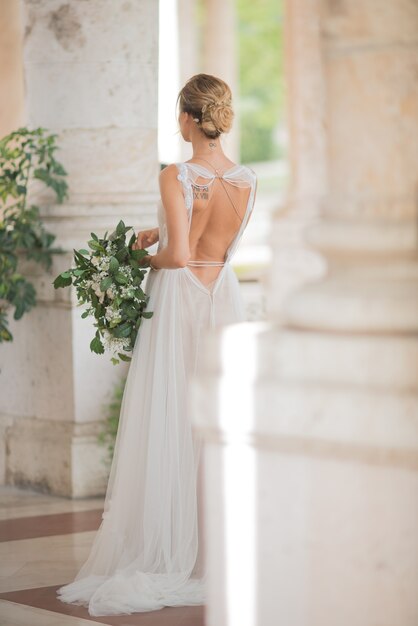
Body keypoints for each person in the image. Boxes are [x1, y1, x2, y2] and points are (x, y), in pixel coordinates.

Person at [57, 73, 257, 616]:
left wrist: (129, 258)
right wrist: (160, 231)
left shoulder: (176, 173)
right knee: (211, 426)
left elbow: (176, 256)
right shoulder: (247, 179)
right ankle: (211, 552)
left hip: (180, 302)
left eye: (179, 113)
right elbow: (208, 241)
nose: (178, 121)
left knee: (168, 419)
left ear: (189, 118)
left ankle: (170, 549)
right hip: (222, 297)